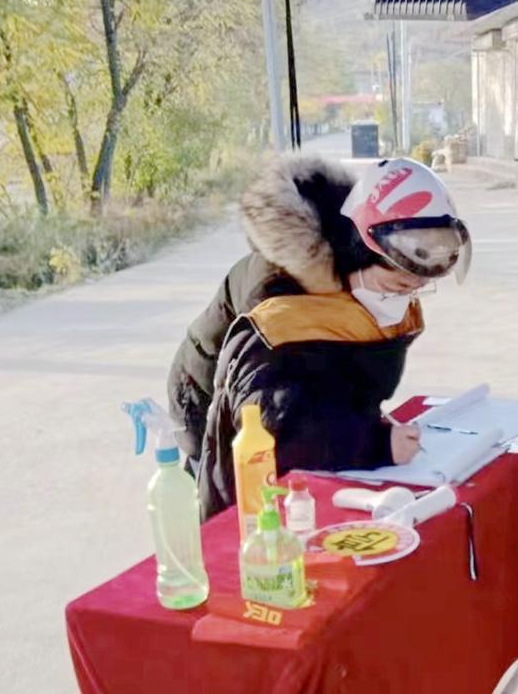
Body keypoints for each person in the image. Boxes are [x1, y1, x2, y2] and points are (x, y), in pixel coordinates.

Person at [167, 155, 471, 520]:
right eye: (397, 286)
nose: (404, 298)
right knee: (237, 511)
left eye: (417, 288)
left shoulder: (356, 281)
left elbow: (337, 380)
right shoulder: (279, 303)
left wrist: (365, 423)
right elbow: (272, 430)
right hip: (205, 401)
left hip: (276, 395)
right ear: (358, 255)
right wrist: (375, 443)